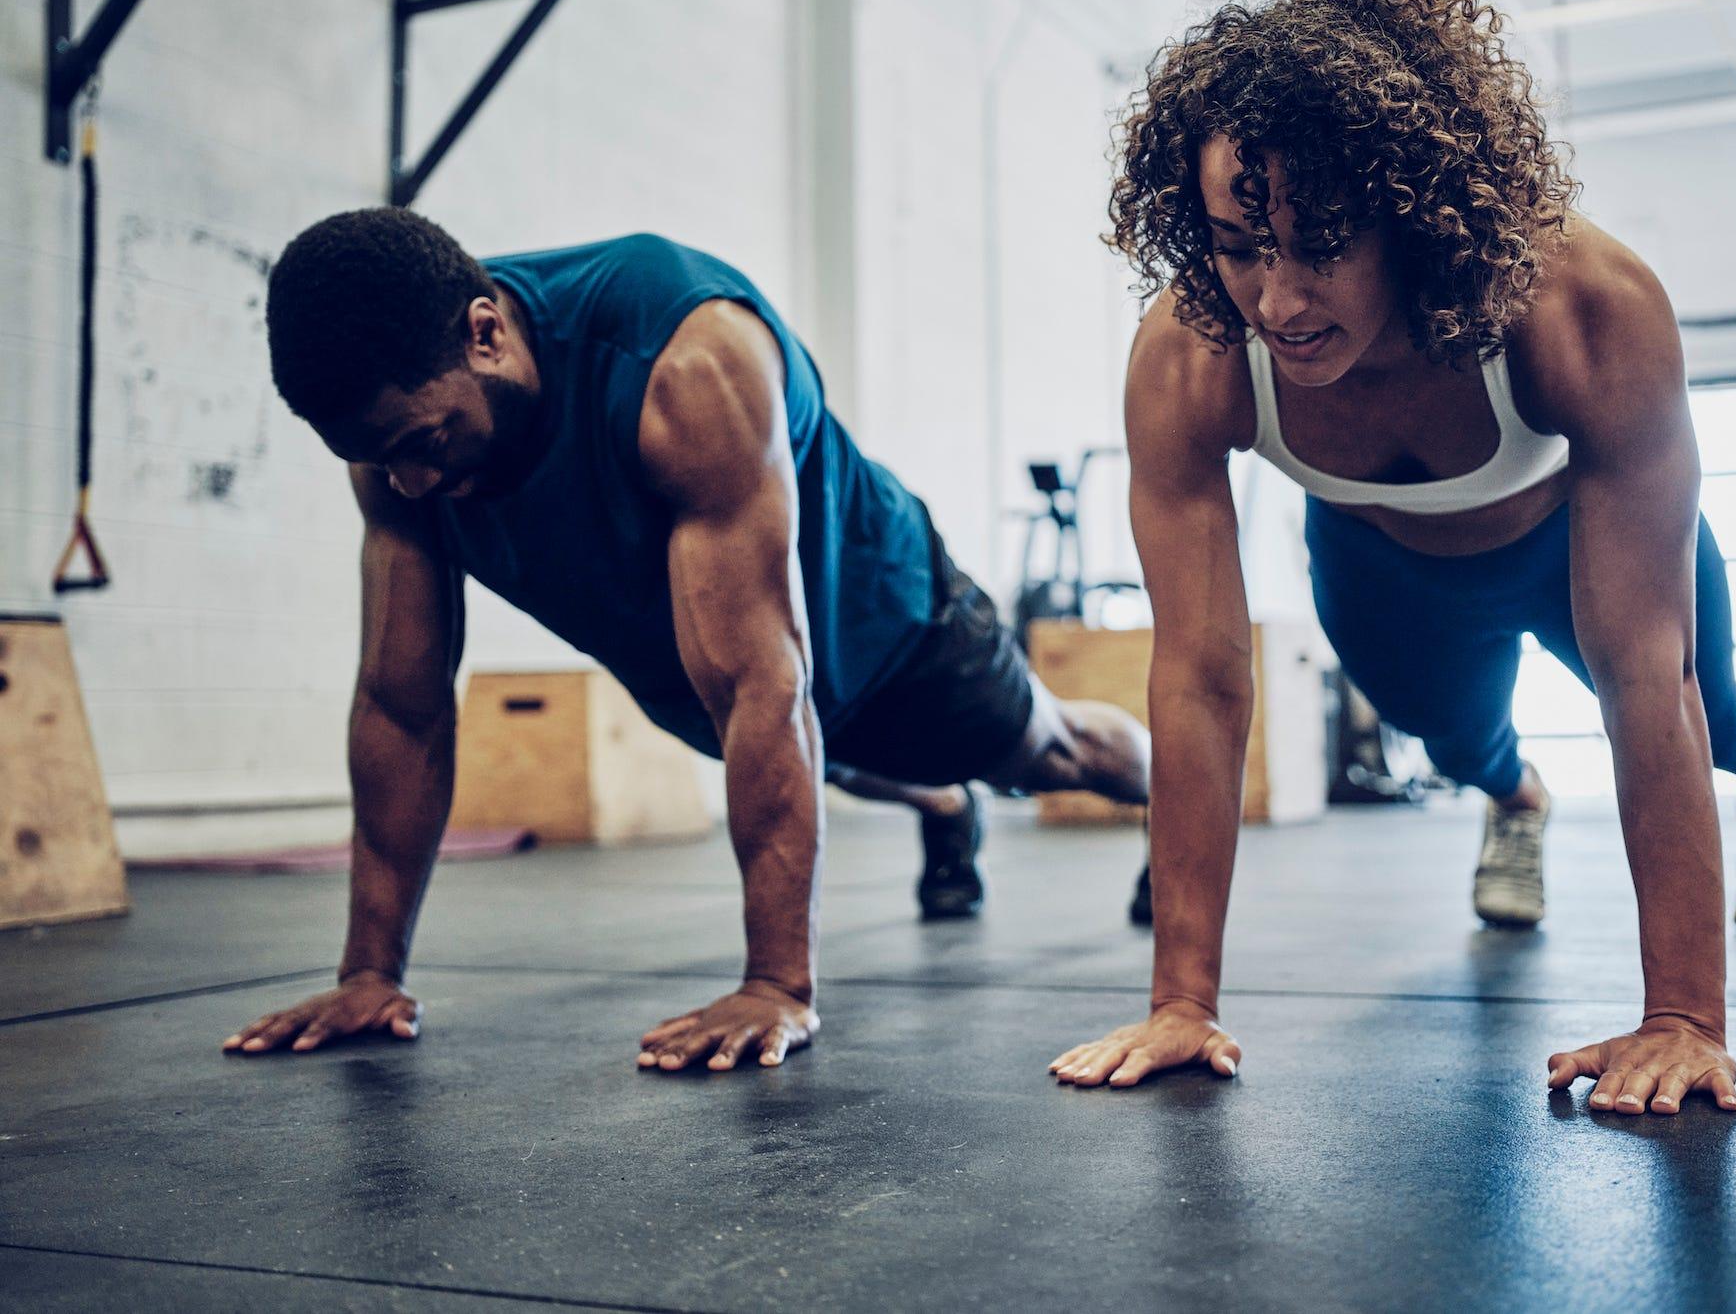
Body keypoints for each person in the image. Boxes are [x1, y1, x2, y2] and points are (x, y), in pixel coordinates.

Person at [1055, 0, 1736, 1113]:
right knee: (1451, 742)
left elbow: (1640, 677)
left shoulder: (1582, 307)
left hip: (1572, 532)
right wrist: (1181, 1002)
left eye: (1321, 242)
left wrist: (1682, 1019)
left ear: (1411, 210)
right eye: (1238, 243)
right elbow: (1203, 680)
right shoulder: (1190, 355)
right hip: (1383, 564)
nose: (1276, 300)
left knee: (1705, 712)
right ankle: (1514, 802)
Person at [224, 211, 1148, 1070]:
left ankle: (1175, 796)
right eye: (381, 456)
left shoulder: (684, 359)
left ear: (486, 334)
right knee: (826, 761)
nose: (411, 481)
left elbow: (765, 688)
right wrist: (368, 974)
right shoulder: (399, 454)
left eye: (426, 440)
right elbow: (401, 706)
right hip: (720, 684)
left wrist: (776, 985)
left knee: (1044, 750)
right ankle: (944, 810)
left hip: (889, 626)